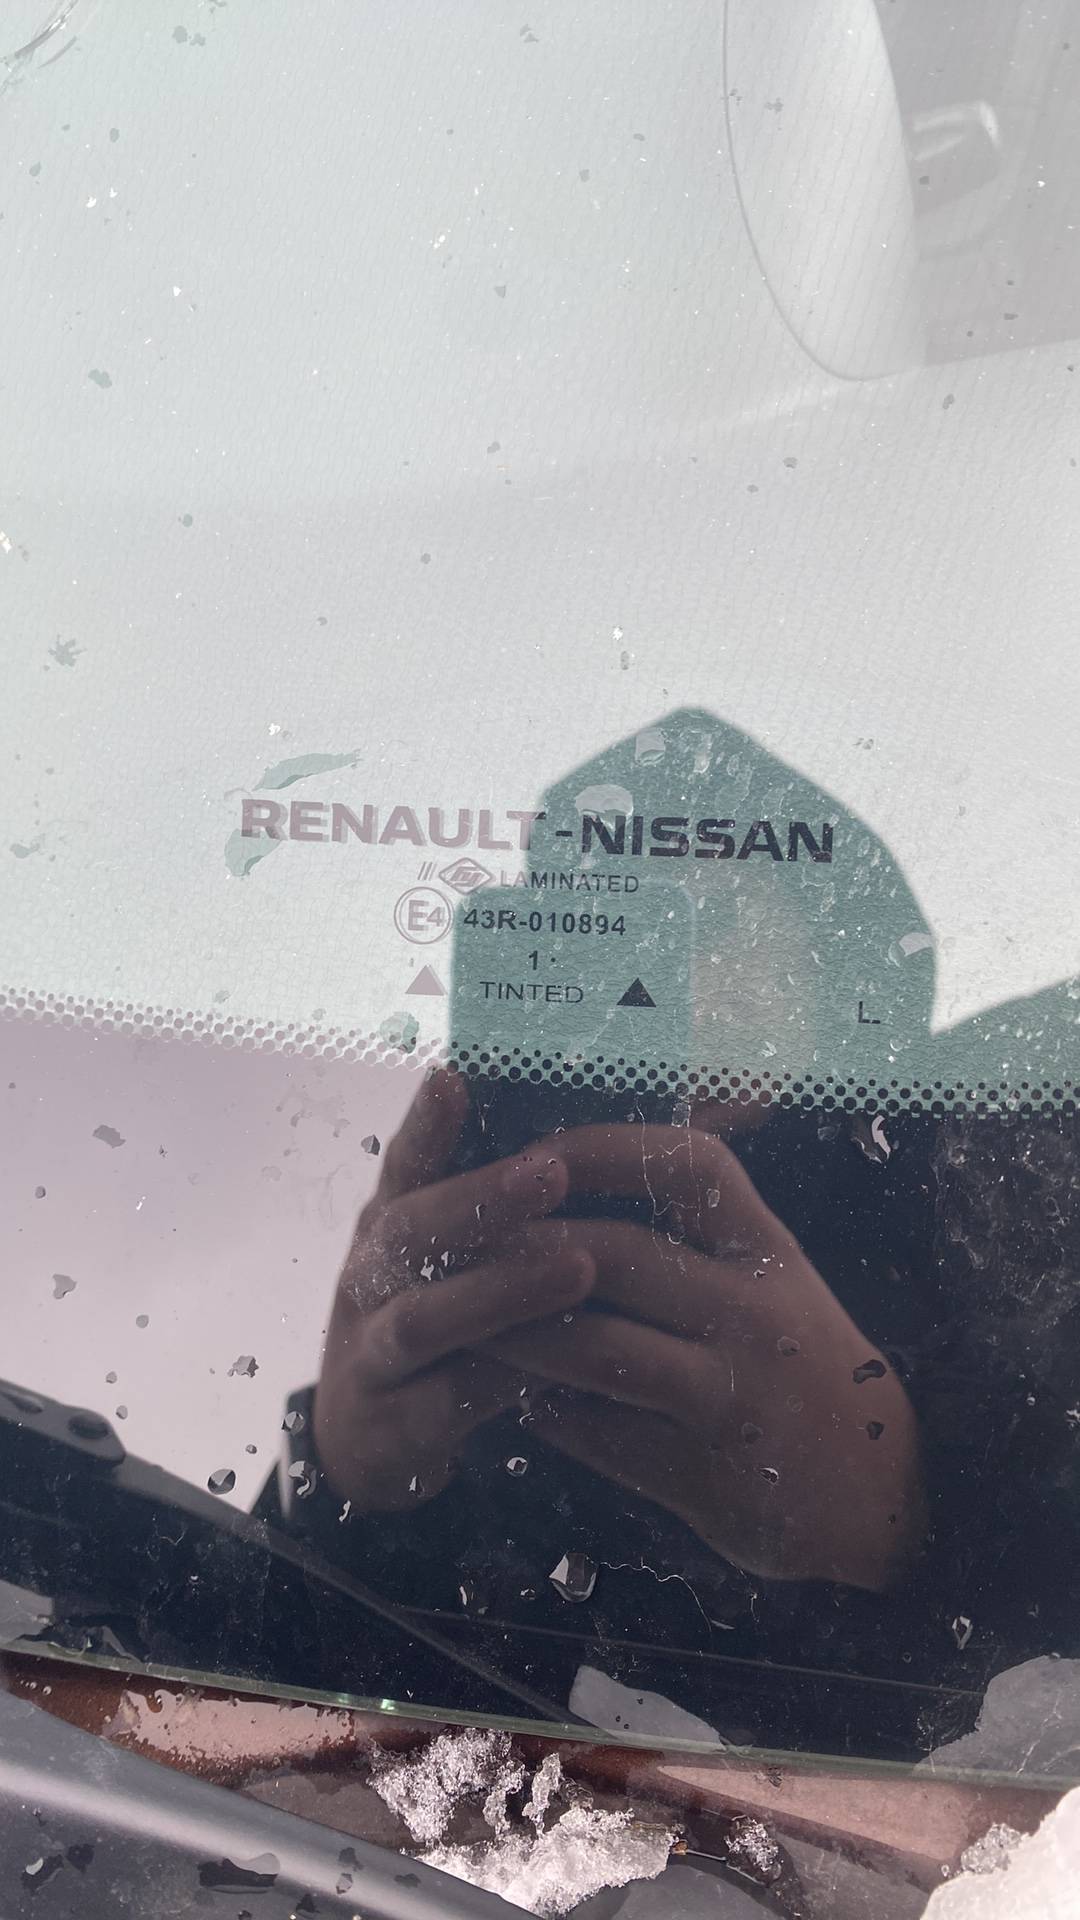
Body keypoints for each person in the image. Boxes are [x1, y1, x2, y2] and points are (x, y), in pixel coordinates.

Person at [262, 713, 1080, 1755]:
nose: (659, 975)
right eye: (607, 920)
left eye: (713, 918)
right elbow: (251, 1737)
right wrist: (348, 1487)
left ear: (833, 955)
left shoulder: (1007, 1161)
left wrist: (913, 1512)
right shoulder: (495, 1235)